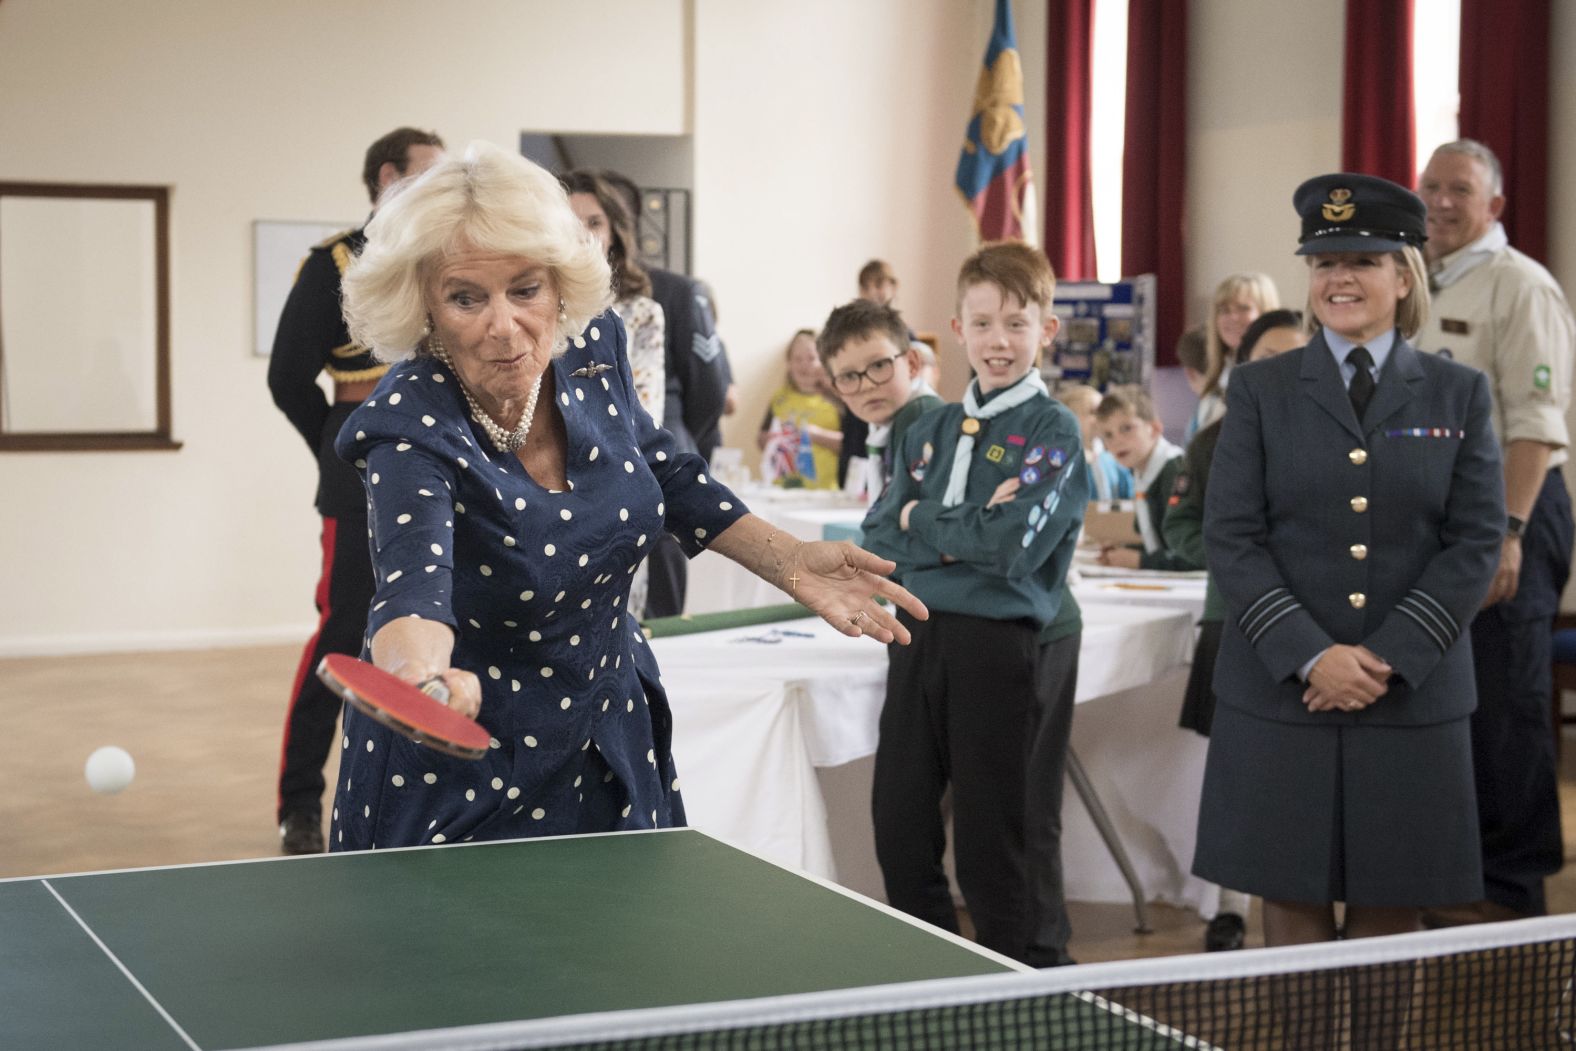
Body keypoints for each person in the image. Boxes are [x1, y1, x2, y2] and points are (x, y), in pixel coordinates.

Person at [327, 141, 926, 852]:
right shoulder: (410, 421)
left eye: (526, 289)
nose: (503, 324)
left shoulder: (592, 346)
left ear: (559, 285)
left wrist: (790, 559)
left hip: (610, 730)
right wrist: (417, 678)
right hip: (468, 763)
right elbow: (411, 581)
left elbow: (662, 467)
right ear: (422, 303)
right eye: (466, 296)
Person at [1195, 172, 1502, 982]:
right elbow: (1231, 535)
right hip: (1279, 689)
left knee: (1390, 907)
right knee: (1288, 895)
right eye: (1324, 260)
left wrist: (1387, 658)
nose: (1340, 278)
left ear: (1405, 276)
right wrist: (1311, 654)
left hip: (1411, 694)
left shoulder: (1459, 391)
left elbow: (1475, 543)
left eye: (1364, 259)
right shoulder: (1259, 390)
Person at [862, 240, 1088, 967]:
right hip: (915, 633)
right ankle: (936, 974)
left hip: (998, 644)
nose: (999, 340)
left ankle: (1013, 986)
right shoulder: (923, 424)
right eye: (983, 323)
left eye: (1017, 323)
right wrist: (949, 526)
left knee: (994, 838)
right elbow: (876, 531)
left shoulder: (1053, 431)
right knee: (899, 823)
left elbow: (1011, 549)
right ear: (956, 329)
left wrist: (918, 518)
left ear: (1045, 331)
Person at [265, 125, 444, 855]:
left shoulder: (444, 257)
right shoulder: (333, 263)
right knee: (344, 633)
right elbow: (286, 378)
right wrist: (342, 450)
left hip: (442, 466)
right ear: (387, 176)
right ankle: (301, 802)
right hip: (359, 477)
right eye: (428, 174)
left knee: (439, 629)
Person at [1414, 140, 1576, 924]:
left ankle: (1512, 892)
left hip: (1509, 510)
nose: (1442, 201)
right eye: (1431, 186)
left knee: (1508, 703)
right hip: (1434, 521)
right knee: (1450, 701)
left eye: (1461, 190)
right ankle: (1453, 874)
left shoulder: (1520, 286)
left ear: (1495, 207)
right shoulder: (1414, 279)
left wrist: (1508, 533)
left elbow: (1537, 429)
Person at [1163, 307, 1304, 952]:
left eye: (1296, 354)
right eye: (1266, 356)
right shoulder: (1212, 441)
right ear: (1242, 366)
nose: (1281, 368)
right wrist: (1239, 559)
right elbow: (1183, 526)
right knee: (1235, 773)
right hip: (1235, 622)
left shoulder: (1341, 437)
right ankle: (1228, 907)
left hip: (1319, 634)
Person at [594, 170, 729, 618]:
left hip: (658, 458)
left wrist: (680, 447)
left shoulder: (672, 292)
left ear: (620, 225)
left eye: (594, 221)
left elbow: (708, 393)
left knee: (661, 613)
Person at [562, 169, 666, 618]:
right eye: (568, 222)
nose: (581, 235)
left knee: (618, 628)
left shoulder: (638, 313)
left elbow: (640, 412)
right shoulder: (531, 303)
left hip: (615, 483)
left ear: (614, 234)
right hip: (542, 491)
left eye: (594, 222)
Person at [816, 299, 942, 502]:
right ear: (836, 389)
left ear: (911, 363)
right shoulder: (885, 427)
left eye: (879, 365)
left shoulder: (920, 418)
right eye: (848, 376)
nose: (867, 385)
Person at [1093, 387, 1193, 570]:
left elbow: (1193, 554)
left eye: (1126, 429)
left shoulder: (1175, 471)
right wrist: (1124, 551)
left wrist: (1141, 560)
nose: (1117, 441)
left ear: (1154, 429)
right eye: (1108, 435)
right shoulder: (1142, 475)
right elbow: (1159, 542)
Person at [1176, 273, 1281, 441]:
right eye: (1224, 310)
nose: (1233, 318)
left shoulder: (1278, 380)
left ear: (1266, 314)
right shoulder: (1216, 381)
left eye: (1243, 308)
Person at [757, 329, 843, 489]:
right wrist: (773, 439)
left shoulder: (837, 397)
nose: (804, 365)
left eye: (811, 358)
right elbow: (761, 439)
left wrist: (816, 435)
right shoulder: (779, 398)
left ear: (823, 362)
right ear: (789, 363)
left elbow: (854, 444)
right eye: (797, 359)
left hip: (826, 490)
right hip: (781, 488)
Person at [1055, 384, 1133, 502]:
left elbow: (1129, 499)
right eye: (1092, 412)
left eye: (1103, 413)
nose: (1100, 418)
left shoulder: (1112, 460)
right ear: (1070, 418)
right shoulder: (1061, 463)